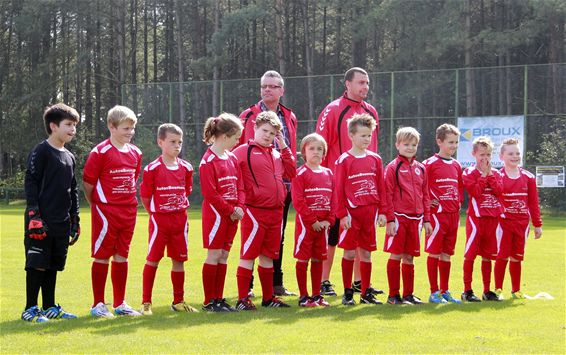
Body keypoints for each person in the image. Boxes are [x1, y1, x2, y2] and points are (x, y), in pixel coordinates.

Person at [315, 67, 381, 297]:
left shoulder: (370, 111)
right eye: (361, 82)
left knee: (362, 237)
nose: (365, 87)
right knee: (334, 233)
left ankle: (359, 283)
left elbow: (372, 148)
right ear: (348, 84)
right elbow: (320, 146)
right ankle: (324, 281)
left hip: (364, 189)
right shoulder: (333, 110)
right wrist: (324, 178)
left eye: (367, 83)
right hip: (338, 186)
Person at [239, 70, 297, 297]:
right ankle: (249, 286)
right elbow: (242, 152)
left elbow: (289, 150)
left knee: (278, 237)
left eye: (272, 86)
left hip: (282, 187)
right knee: (252, 239)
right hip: (256, 192)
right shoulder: (248, 115)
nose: (267, 90)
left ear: (281, 90)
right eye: (264, 86)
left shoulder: (289, 116)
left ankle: (275, 284)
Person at [21, 104, 81, 322]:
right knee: (37, 262)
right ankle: (30, 308)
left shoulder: (70, 157)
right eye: (68, 124)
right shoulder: (41, 151)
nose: (73, 129)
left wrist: (75, 218)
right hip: (41, 220)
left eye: (74, 125)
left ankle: (49, 307)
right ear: (53, 126)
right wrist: (34, 215)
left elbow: (72, 188)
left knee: (53, 264)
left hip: (61, 220)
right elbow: (31, 181)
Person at [232, 111, 296, 310]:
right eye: (265, 131)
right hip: (254, 211)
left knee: (269, 256)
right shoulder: (243, 151)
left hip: (276, 211)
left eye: (273, 133)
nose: (268, 135)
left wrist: (284, 145)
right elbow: (230, 174)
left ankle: (268, 298)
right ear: (255, 129)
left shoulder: (277, 153)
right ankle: (243, 299)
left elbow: (292, 171)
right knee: (248, 254)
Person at [83, 105, 143, 317]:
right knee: (102, 255)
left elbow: (133, 179)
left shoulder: (136, 152)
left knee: (122, 256)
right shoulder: (100, 152)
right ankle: (98, 304)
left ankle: (120, 304)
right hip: (105, 211)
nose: (130, 132)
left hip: (129, 211)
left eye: (132, 128)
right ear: (112, 126)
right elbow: (88, 183)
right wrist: (98, 204)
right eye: (126, 128)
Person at [139, 123, 198, 315]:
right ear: (160, 142)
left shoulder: (186, 168)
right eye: (172, 141)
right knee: (153, 259)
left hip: (180, 220)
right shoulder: (152, 169)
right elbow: (146, 196)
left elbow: (186, 190)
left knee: (179, 260)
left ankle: (178, 301)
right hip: (160, 221)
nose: (177, 145)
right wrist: (156, 212)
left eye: (179, 142)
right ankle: (146, 302)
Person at [334, 114, 386, 306]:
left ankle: (365, 292)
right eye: (363, 135)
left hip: (370, 213)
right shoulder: (344, 160)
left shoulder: (375, 159)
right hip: (351, 214)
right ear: (351, 136)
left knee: (366, 253)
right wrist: (342, 214)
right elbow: (338, 190)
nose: (367, 139)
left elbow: (381, 187)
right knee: (349, 253)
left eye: (369, 135)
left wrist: (383, 212)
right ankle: (348, 293)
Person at [199, 114, 245, 312]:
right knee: (214, 254)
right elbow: (210, 193)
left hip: (232, 215)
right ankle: (209, 301)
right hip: (217, 216)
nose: (237, 142)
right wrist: (229, 211)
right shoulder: (208, 161)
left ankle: (219, 298)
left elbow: (240, 186)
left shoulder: (232, 158)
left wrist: (240, 207)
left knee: (224, 255)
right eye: (236, 138)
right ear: (225, 136)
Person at [384, 127, 433, 305]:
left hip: (416, 219)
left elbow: (425, 195)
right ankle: (393, 295)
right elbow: (387, 195)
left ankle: (408, 294)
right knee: (396, 255)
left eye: (413, 144)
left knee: (409, 257)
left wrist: (427, 219)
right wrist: (389, 219)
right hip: (398, 218)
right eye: (406, 144)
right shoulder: (392, 167)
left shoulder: (421, 168)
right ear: (398, 145)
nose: (410, 148)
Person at [494, 138, 542, 299]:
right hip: (504, 224)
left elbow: (533, 203)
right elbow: (494, 199)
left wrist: (537, 224)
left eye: (517, 153)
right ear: (502, 156)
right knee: (502, 255)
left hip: (522, 224)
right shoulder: (497, 176)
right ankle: (498, 290)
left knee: (517, 257)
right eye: (510, 153)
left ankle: (516, 290)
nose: (515, 156)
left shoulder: (528, 177)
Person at [291, 133, 334, 307]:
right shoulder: (300, 174)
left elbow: (334, 199)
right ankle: (303, 297)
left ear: (324, 153)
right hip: (307, 226)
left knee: (318, 259)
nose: (316, 152)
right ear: (304, 152)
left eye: (320, 149)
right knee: (303, 259)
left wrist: (329, 220)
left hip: (323, 227)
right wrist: (313, 221)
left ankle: (317, 295)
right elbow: (298, 201)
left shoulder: (329, 173)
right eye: (311, 149)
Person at [422, 124, 463, 304]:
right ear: (439, 141)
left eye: (456, 142)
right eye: (450, 142)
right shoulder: (429, 164)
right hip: (437, 216)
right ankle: (434, 292)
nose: (453, 146)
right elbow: (420, 187)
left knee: (447, 254)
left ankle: (445, 291)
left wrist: (458, 203)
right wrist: (427, 203)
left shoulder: (456, 164)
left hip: (453, 216)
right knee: (434, 253)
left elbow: (459, 188)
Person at [461, 136, 503, 302]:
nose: (485, 158)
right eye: (482, 155)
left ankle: (487, 290)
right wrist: (484, 175)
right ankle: (467, 291)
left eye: (488, 155)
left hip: (492, 219)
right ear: (474, 154)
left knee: (488, 256)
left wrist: (490, 175)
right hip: (476, 219)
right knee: (470, 255)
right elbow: (475, 193)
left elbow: (499, 191)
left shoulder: (497, 173)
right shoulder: (469, 172)